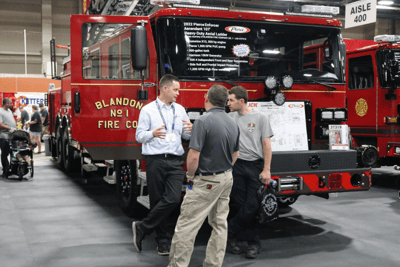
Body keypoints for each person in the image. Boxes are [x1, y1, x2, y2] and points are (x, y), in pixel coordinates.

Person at [167, 85, 240, 267]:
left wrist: (190, 176)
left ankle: (177, 265)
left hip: (206, 181)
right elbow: (235, 154)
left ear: (206, 97)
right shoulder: (233, 122)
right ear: (225, 102)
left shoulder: (202, 121)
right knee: (220, 224)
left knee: (187, 224)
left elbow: (193, 156)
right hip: (226, 178)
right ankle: (213, 264)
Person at [133, 74, 192, 256]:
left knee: (173, 198)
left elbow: (186, 136)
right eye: (175, 89)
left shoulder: (180, 109)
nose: (178, 93)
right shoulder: (148, 110)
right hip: (155, 160)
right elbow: (139, 136)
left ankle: (142, 227)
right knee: (157, 201)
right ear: (164, 88)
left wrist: (190, 130)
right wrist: (152, 133)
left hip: (175, 160)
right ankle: (163, 241)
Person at [226, 86, 273, 259]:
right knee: (239, 204)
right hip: (236, 166)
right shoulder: (230, 117)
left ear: (242, 101)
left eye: (231, 100)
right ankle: (253, 244)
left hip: (255, 167)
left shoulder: (260, 118)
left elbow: (267, 145)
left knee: (252, 205)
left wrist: (266, 169)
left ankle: (229, 233)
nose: (228, 103)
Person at [0, 98, 17, 176]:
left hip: (12, 135)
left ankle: (13, 168)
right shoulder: (0, 111)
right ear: (6, 103)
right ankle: (5, 170)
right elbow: (0, 124)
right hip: (4, 136)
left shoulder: (9, 111)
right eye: (10, 103)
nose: (12, 104)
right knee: (5, 154)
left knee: (13, 152)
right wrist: (10, 128)